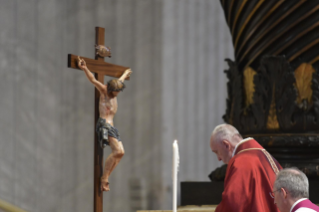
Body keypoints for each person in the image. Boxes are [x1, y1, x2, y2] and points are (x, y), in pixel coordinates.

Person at [78, 56, 132, 192]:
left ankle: (106, 177)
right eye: (116, 91)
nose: (118, 94)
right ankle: (104, 179)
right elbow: (93, 79)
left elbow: (119, 81)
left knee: (121, 153)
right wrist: (85, 68)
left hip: (112, 126)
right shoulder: (104, 91)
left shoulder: (115, 91)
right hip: (104, 125)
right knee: (118, 151)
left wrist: (125, 74)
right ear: (110, 89)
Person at [210, 124, 282, 212]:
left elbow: (233, 203)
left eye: (217, 152)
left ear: (226, 145)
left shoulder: (241, 161)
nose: (219, 158)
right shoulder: (266, 156)